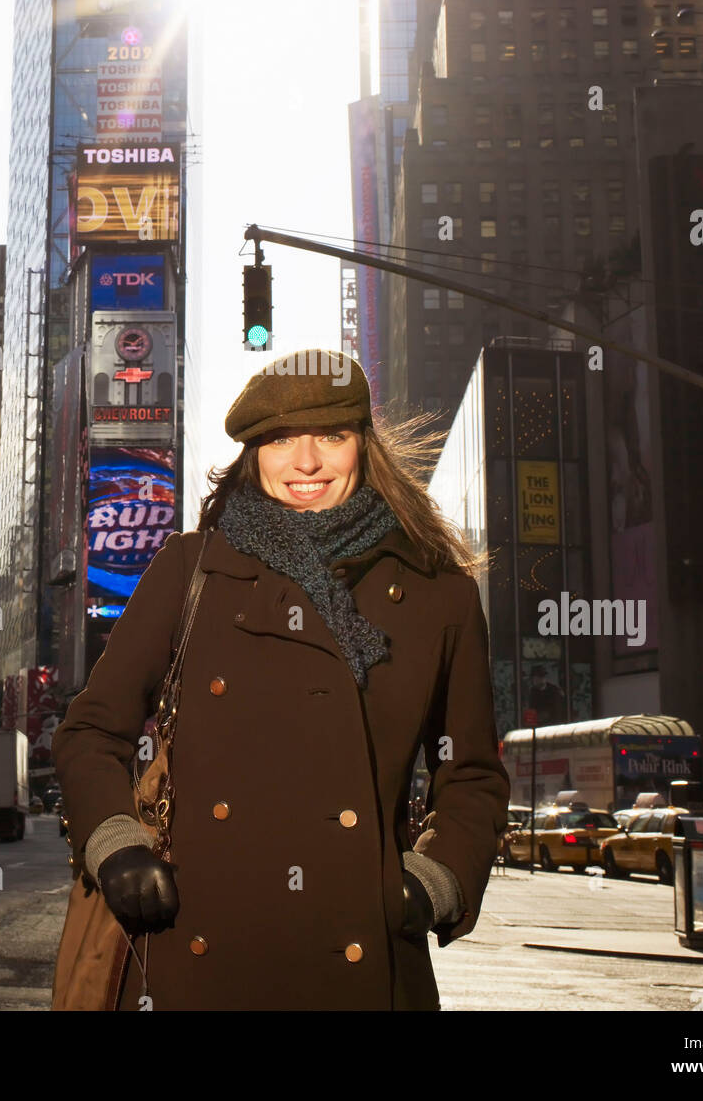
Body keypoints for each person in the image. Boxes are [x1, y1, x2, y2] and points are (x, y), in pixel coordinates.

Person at [54, 349, 511, 1011]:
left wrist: (435, 879)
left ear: (363, 445)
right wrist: (117, 847)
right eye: (279, 439)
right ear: (251, 452)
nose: (306, 462)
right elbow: (90, 730)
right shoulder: (190, 569)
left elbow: (470, 774)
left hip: (365, 955)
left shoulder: (440, 596)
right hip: (190, 947)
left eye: (331, 435)